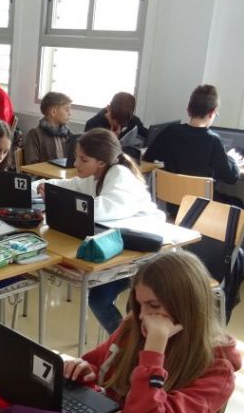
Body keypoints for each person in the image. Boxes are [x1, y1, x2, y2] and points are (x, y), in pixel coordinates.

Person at [62, 250, 241, 413]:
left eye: (154, 305)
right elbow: (97, 365)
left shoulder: (218, 372)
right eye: (140, 305)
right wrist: (86, 372)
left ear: (186, 306)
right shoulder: (134, 326)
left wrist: (154, 351)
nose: (142, 316)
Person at [39, 128, 164, 334]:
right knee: (98, 299)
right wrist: (44, 186)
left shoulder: (120, 175)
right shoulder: (97, 175)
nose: (76, 164)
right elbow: (72, 186)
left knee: (107, 301)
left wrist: (60, 203)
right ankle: (124, 342)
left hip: (146, 254)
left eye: (83, 159)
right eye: (77, 157)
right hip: (123, 250)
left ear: (101, 162)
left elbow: (101, 209)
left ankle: (126, 343)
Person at [143, 84, 241, 217]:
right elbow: (231, 178)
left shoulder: (170, 132)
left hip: (174, 207)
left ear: (188, 109)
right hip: (201, 210)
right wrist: (231, 160)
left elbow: (148, 157)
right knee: (238, 204)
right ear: (212, 113)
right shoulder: (213, 141)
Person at [23, 91, 75, 165]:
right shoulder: (35, 134)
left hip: (64, 172)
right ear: (53, 112)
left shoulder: (68, 134)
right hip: (43, 173)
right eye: (66, 110)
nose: (70, 114)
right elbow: (31, 164)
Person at [84, 91, 149, 143]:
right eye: (117, 120)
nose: (119, 125)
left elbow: (148, 136)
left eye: (123, 122)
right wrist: (111, 140)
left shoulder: (131, 120)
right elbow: (87, 151)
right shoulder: (93, 125)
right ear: (109, 108)